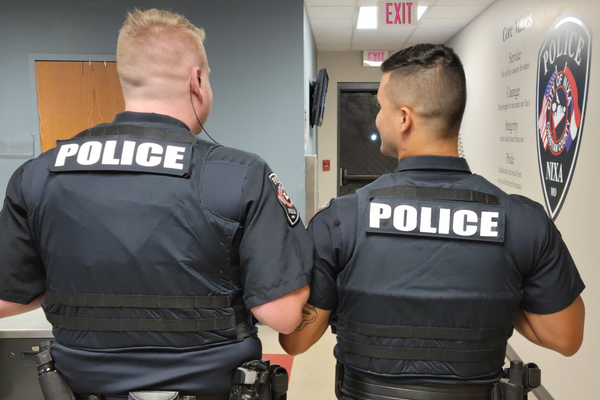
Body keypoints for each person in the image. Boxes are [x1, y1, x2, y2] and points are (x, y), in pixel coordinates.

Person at [0, 9, 312, 399]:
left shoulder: (37, 175)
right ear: (196, 80)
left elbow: (8, 298)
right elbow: (280, 315)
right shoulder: (241, 174)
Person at [280, 44, 585, 400]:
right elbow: (565, 337)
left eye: (381, 107)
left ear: (404, 118)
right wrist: (504, 295)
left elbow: (296, 339)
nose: (377, 118)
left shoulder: (340, 222)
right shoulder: (523, 223)